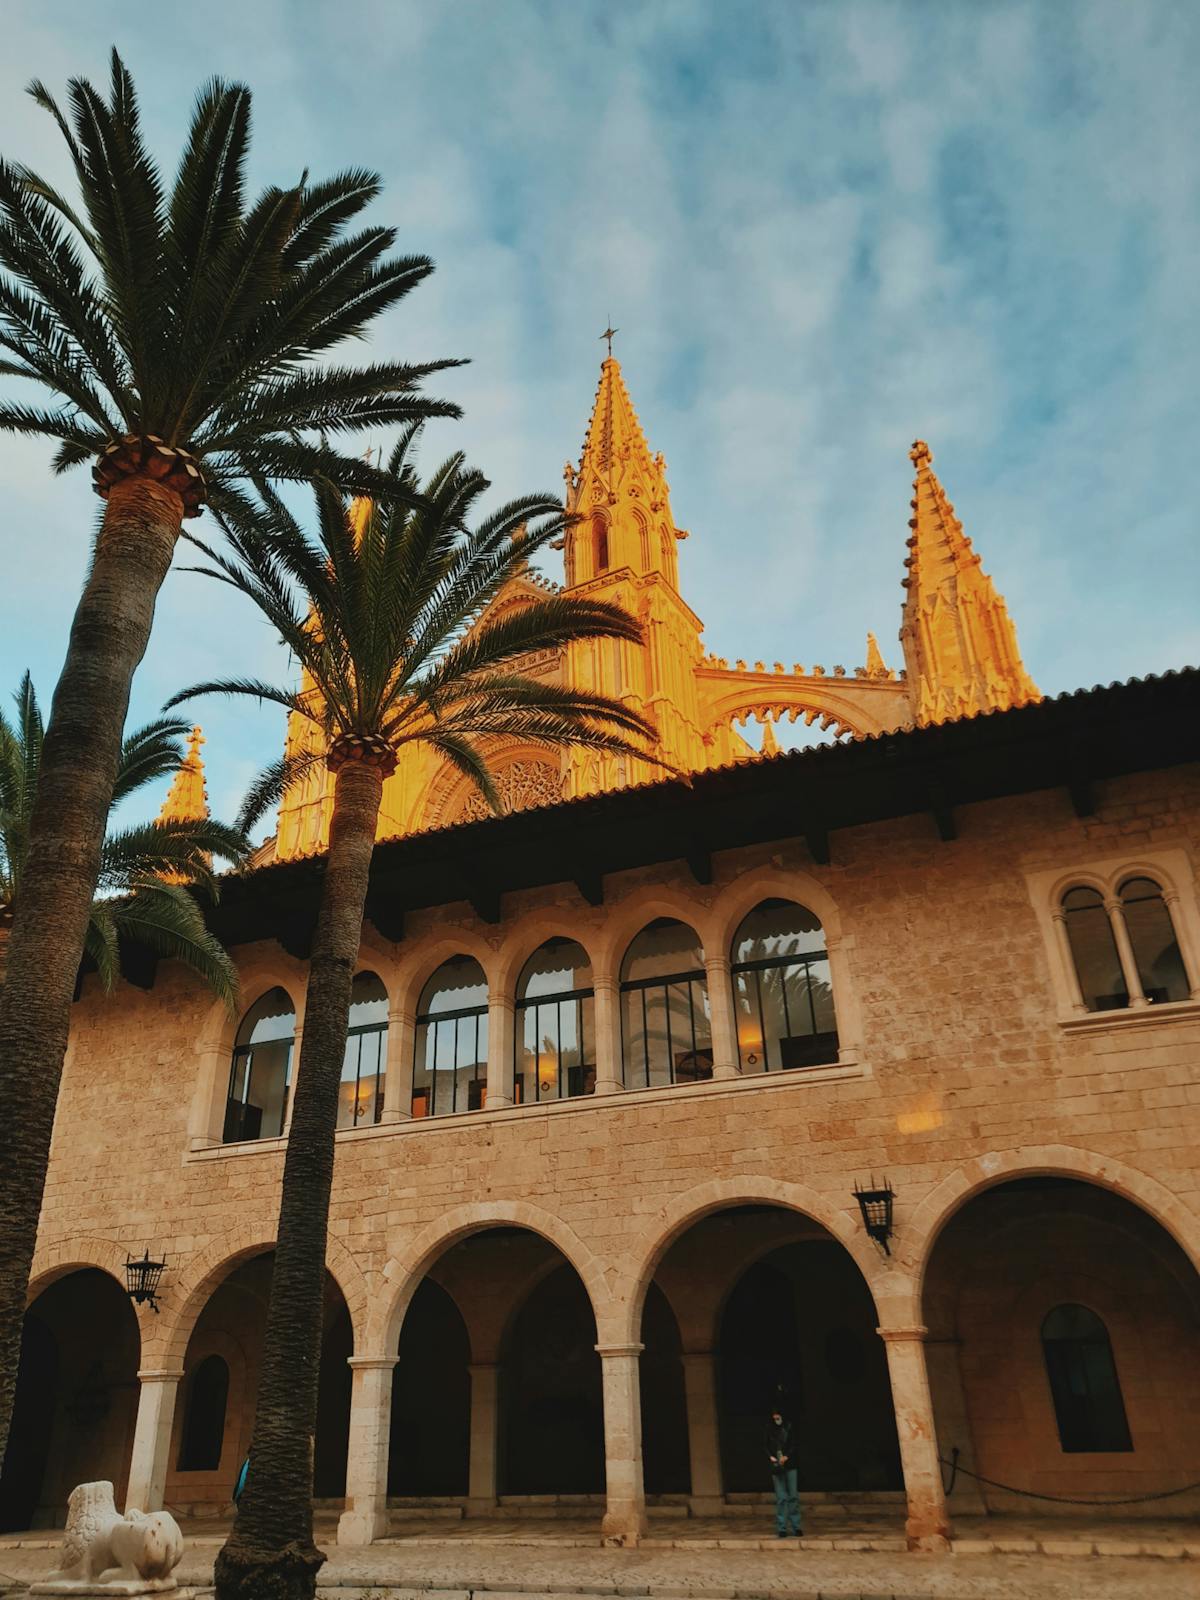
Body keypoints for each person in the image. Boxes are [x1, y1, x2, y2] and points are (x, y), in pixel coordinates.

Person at [765, 1408, 802, 1538]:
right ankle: (782, 1527)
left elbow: (794, 1444)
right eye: (774, 1417)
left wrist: (787, 1456)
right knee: (781, 1498)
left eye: (778, 1417)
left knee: (793, 1496)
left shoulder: (790, 1427)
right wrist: (771, 1457)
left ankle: (797, 1526)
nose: (776, 1419)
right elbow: (765, 1445)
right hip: (777, 1465)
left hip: (790, 1464)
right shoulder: (769, 1429)